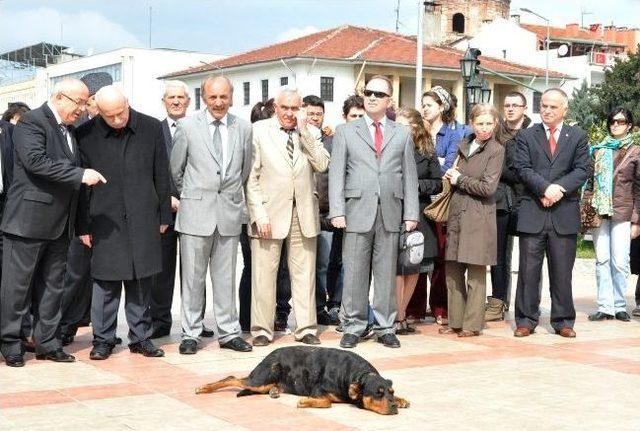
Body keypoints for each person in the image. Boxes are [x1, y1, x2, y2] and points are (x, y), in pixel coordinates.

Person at [0, 78, 105, 367]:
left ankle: (47, 342)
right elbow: (36, 161)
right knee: (17, 287)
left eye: (86, 103)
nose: (83, 110)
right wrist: (80, 174)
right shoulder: (32, 122)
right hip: (27, 222)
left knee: (52, 287)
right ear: (60, 97)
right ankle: (10, 343)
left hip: (61, 225)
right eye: (79, 102)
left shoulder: (70, 131)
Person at [76, 85, 170, 360]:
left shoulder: (151, 128)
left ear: (128, 103)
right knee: (105, 283)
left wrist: (164, 215)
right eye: (110, 116)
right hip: (103, 219)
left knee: (141, 279)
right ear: (99, 112)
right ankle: (103, 339)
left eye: (121, 113)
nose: (118, 120)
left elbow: (161, 174)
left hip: (144, 215)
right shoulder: (85, 134)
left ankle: (141, 337)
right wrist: (82, 226)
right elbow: (80, 188)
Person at [329, 75, 419, 349]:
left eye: (379, 94)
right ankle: (354, 325)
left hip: (391, 210)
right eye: (368, 92)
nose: (372, 97)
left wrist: (411, 212)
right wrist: (337, 210)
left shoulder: (402, 133)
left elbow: (409, 176)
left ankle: (385, 326)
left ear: (389, 100)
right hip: (356, 210)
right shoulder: (345, 131)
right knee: (355, 271)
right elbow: (336, 174)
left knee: (385, 273)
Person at [170, 76, 253, 355]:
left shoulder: (243, 128)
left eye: (224, 97)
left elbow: (244, 171)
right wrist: (194, 196)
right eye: (213, 97)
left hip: (228, 213)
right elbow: (176, 170)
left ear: (231, 97)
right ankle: (190, 333)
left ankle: (229, 332)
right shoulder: (187, 126)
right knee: (192, 278)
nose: (219, 103)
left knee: (226, 277)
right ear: (204, 98)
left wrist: (227, 198)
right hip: (195, 213)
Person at [246, 86, 329, 347]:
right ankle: (261, 329)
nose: (290, 114)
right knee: (263, 274)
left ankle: (305, 328)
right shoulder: (258, 132)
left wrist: (305, 132)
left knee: (305, 275)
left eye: (295, 108)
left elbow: (322, 164)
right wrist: (259, 213)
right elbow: (251, 178)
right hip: (268, 214)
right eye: (285, 108)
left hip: (303, 214)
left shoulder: (311, 132)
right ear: (275, 107)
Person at [513, 88, 589, 338]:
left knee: (562, 272)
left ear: (564, 109)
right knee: (528, 272)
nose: (546, 110)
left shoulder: (577, 136)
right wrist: (545, 188)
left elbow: (582, 170)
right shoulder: (526, 135)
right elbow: (522, 168)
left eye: (553, 107)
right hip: (533, 211)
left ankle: (564, 320)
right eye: (544, 105)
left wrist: (559, 190)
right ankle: (525, 319)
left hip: (563, 214)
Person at [438, 103, 504, 337]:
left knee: (476, 273)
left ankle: (472, 324)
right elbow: (452, 173)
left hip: (479, 216)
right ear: (472, 123)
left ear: (495, 124)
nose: (484, 128)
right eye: (480, 123)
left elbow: (488, 187)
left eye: (489, 123)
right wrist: (450, 176)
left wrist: (460, 180)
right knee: (453, 270)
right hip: (456, 214)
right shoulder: (463, 144)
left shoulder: (496, 150)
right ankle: (455, 320)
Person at [58, 71, 114, 346]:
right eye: (92, 100)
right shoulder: (76, 131)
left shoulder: (118, 126)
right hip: (83, 212)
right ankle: (64, 325)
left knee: (102, 274)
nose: (92, 106)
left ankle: (94, 325)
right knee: (75, 272)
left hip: (111, 215)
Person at [239, 99, 292, 333]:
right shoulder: (254, 137)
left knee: (278, 270)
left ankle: (274, 316)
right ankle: (250, 319)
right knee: (255, 269)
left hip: (279, 213)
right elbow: (249, 178)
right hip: (253, 214)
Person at [411, 86, 462, 324]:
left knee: (440, 256)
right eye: (422, 104)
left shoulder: (453, 134)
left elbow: (449, 167)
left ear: (442, 107)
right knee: (414, 253)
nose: (424, 109)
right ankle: (415, 308)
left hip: (441, 203)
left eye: (429, 104)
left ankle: (440, 306)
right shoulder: (416, 131)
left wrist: (437, 166)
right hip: (419, 202)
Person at [586, 107, 640, 322]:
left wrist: (637, 220)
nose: (615, 125)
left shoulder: (636, 152)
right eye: (612, 121)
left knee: (619, 260)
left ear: (629, 125)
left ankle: (619, 305)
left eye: (620, 121)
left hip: (624, 212)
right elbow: (589, 184)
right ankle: (605, 306)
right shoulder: (598, 150)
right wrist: (587, 210)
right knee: (602, 259)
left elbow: (638, 189)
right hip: (600, 211)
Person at [394, 107, 441, 334]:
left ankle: (401, 313)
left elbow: (437, 182)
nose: (401, 130)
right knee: (395, 268)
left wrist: (416, 185)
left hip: (420, 213)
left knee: (413, 267)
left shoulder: (426, 149)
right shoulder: (388, 145)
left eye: (405, 125)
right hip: (394, 211)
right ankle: (396, 315)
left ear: (415, 127)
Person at [148, 80, 190, 339]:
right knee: (161, 271)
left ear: (188, 101)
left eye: (180, 97)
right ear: (163, 101)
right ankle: (160, 320)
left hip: (195, 210)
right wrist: (166, 199)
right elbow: (148, 170)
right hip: (163, 213)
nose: (176, 101)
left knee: (193, 271)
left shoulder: (199, 129)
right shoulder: (153, 130)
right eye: (171, 97)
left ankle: (193, 321)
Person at [485, 91, 532, 321]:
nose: (510, 109)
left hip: (527, 200)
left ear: (524, 108)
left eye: (515, 105)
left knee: (529, 256)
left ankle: (527, 305)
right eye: (507, 105)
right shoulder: (494, 133)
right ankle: (497, 302)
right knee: (498, 255)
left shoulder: (533, 133)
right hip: (500, 199)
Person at [303, 94, 339, 326]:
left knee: (322, 264)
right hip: (300, 211)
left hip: (324, 213)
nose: (315, 118)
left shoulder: (330, 140)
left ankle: (319, 307)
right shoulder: (297, 137)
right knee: (300, 266)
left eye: (319, 114)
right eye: (311, 113)